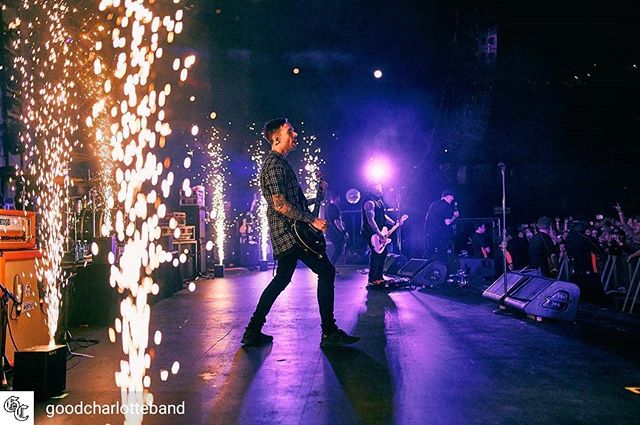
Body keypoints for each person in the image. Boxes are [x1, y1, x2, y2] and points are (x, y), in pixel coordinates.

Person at [241, 118, 359, 348]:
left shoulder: (281, 164)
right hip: (291, 234)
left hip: (291, 232)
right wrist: (312, 220)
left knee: (281, 280)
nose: (295, 134)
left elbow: (294, 202)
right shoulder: (275, 165)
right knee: (326, 271)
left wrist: (317, 196)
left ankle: (252, 331)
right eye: (289, 131)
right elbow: (281, 206)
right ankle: (329, 331)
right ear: (276, 138)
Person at [361, 183, 396, 285]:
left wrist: (393, 223)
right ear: (374, 188)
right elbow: (370, 220)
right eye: (379, 186)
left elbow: (383, 215)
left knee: (383, 253)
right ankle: (372, 279)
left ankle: (379, 277)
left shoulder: (379, 201)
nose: (381, 188)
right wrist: (378, 233)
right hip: (371, 232)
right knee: (376, 254)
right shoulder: (369, 202)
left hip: (380, 231)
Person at [424, 189, 459, 261]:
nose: (453, 199)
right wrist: (455, 216)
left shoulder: (434, 204)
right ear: (448, 196)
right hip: (440, 234)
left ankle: (423, 267)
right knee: (443, 253)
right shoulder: (446, 206)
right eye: (452, 197)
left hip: (429, 232)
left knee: (430, 251)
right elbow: (447, 222)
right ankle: (443, 269)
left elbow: (426, 217)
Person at [324, 191, 349, 265]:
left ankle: (330, 266)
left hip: (329, 231)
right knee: (339, 248)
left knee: (338, 248)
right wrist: (344, 231)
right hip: (334, 232)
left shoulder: (327, 207)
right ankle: (330, 266)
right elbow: (336, 221)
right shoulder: (334, 207)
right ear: (337, 198)